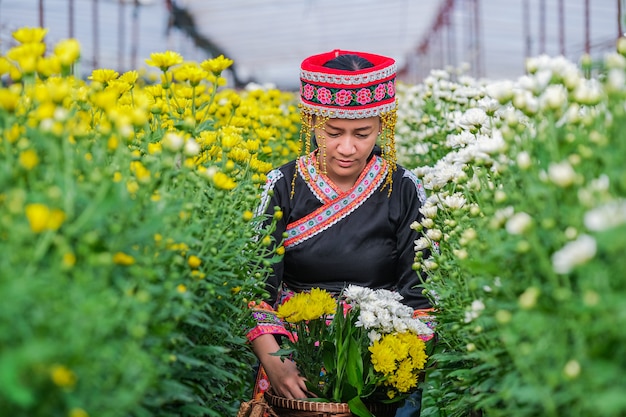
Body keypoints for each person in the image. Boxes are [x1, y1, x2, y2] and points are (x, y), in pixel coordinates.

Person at [246, 49, 434, 416]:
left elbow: (421, 297)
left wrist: (388, 370)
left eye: (362, 134)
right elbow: (255, 288)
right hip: (292, 360)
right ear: (312, 122)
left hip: (379, 361)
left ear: (382, 126)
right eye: (332, 133)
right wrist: (276, 363)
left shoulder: (404, 189)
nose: (346, 149)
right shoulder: (283, 185)